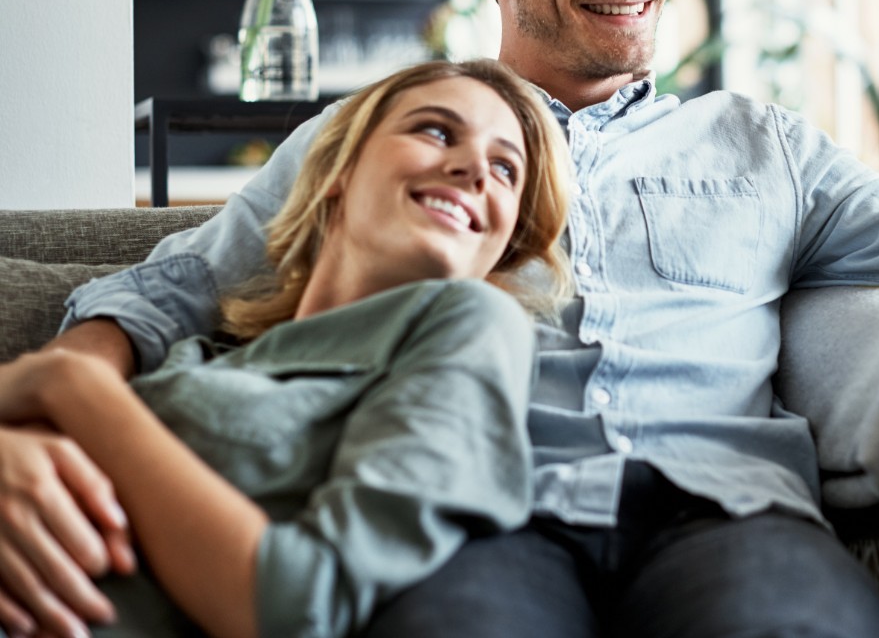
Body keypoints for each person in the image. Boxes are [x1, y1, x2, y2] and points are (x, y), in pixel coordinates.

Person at [0, 0, 879, 638]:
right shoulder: (400, 135)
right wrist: (44, 413)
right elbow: (164, 287)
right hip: (479, 518)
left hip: (724, 515)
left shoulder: (769, 148)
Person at [0, 59, 571, 638]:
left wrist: (70, 387)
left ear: (504, 241)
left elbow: (302, 604)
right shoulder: (203, 349)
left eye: (506, 168)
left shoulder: (478, 327)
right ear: (336, 172)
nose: (476, 168)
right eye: (436, 131)